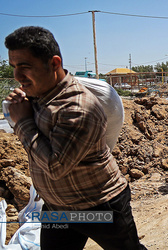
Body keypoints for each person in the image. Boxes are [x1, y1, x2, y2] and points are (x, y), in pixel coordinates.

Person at [4, 26, 146, 249]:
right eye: (14, 67)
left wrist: (22, 121)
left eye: (25, 66)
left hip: (98, 208)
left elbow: (55, 167)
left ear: (54, 63)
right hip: (57, 209)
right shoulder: (39, 95)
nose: (17, 76)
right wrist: (20, 107)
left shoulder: (80, 107)